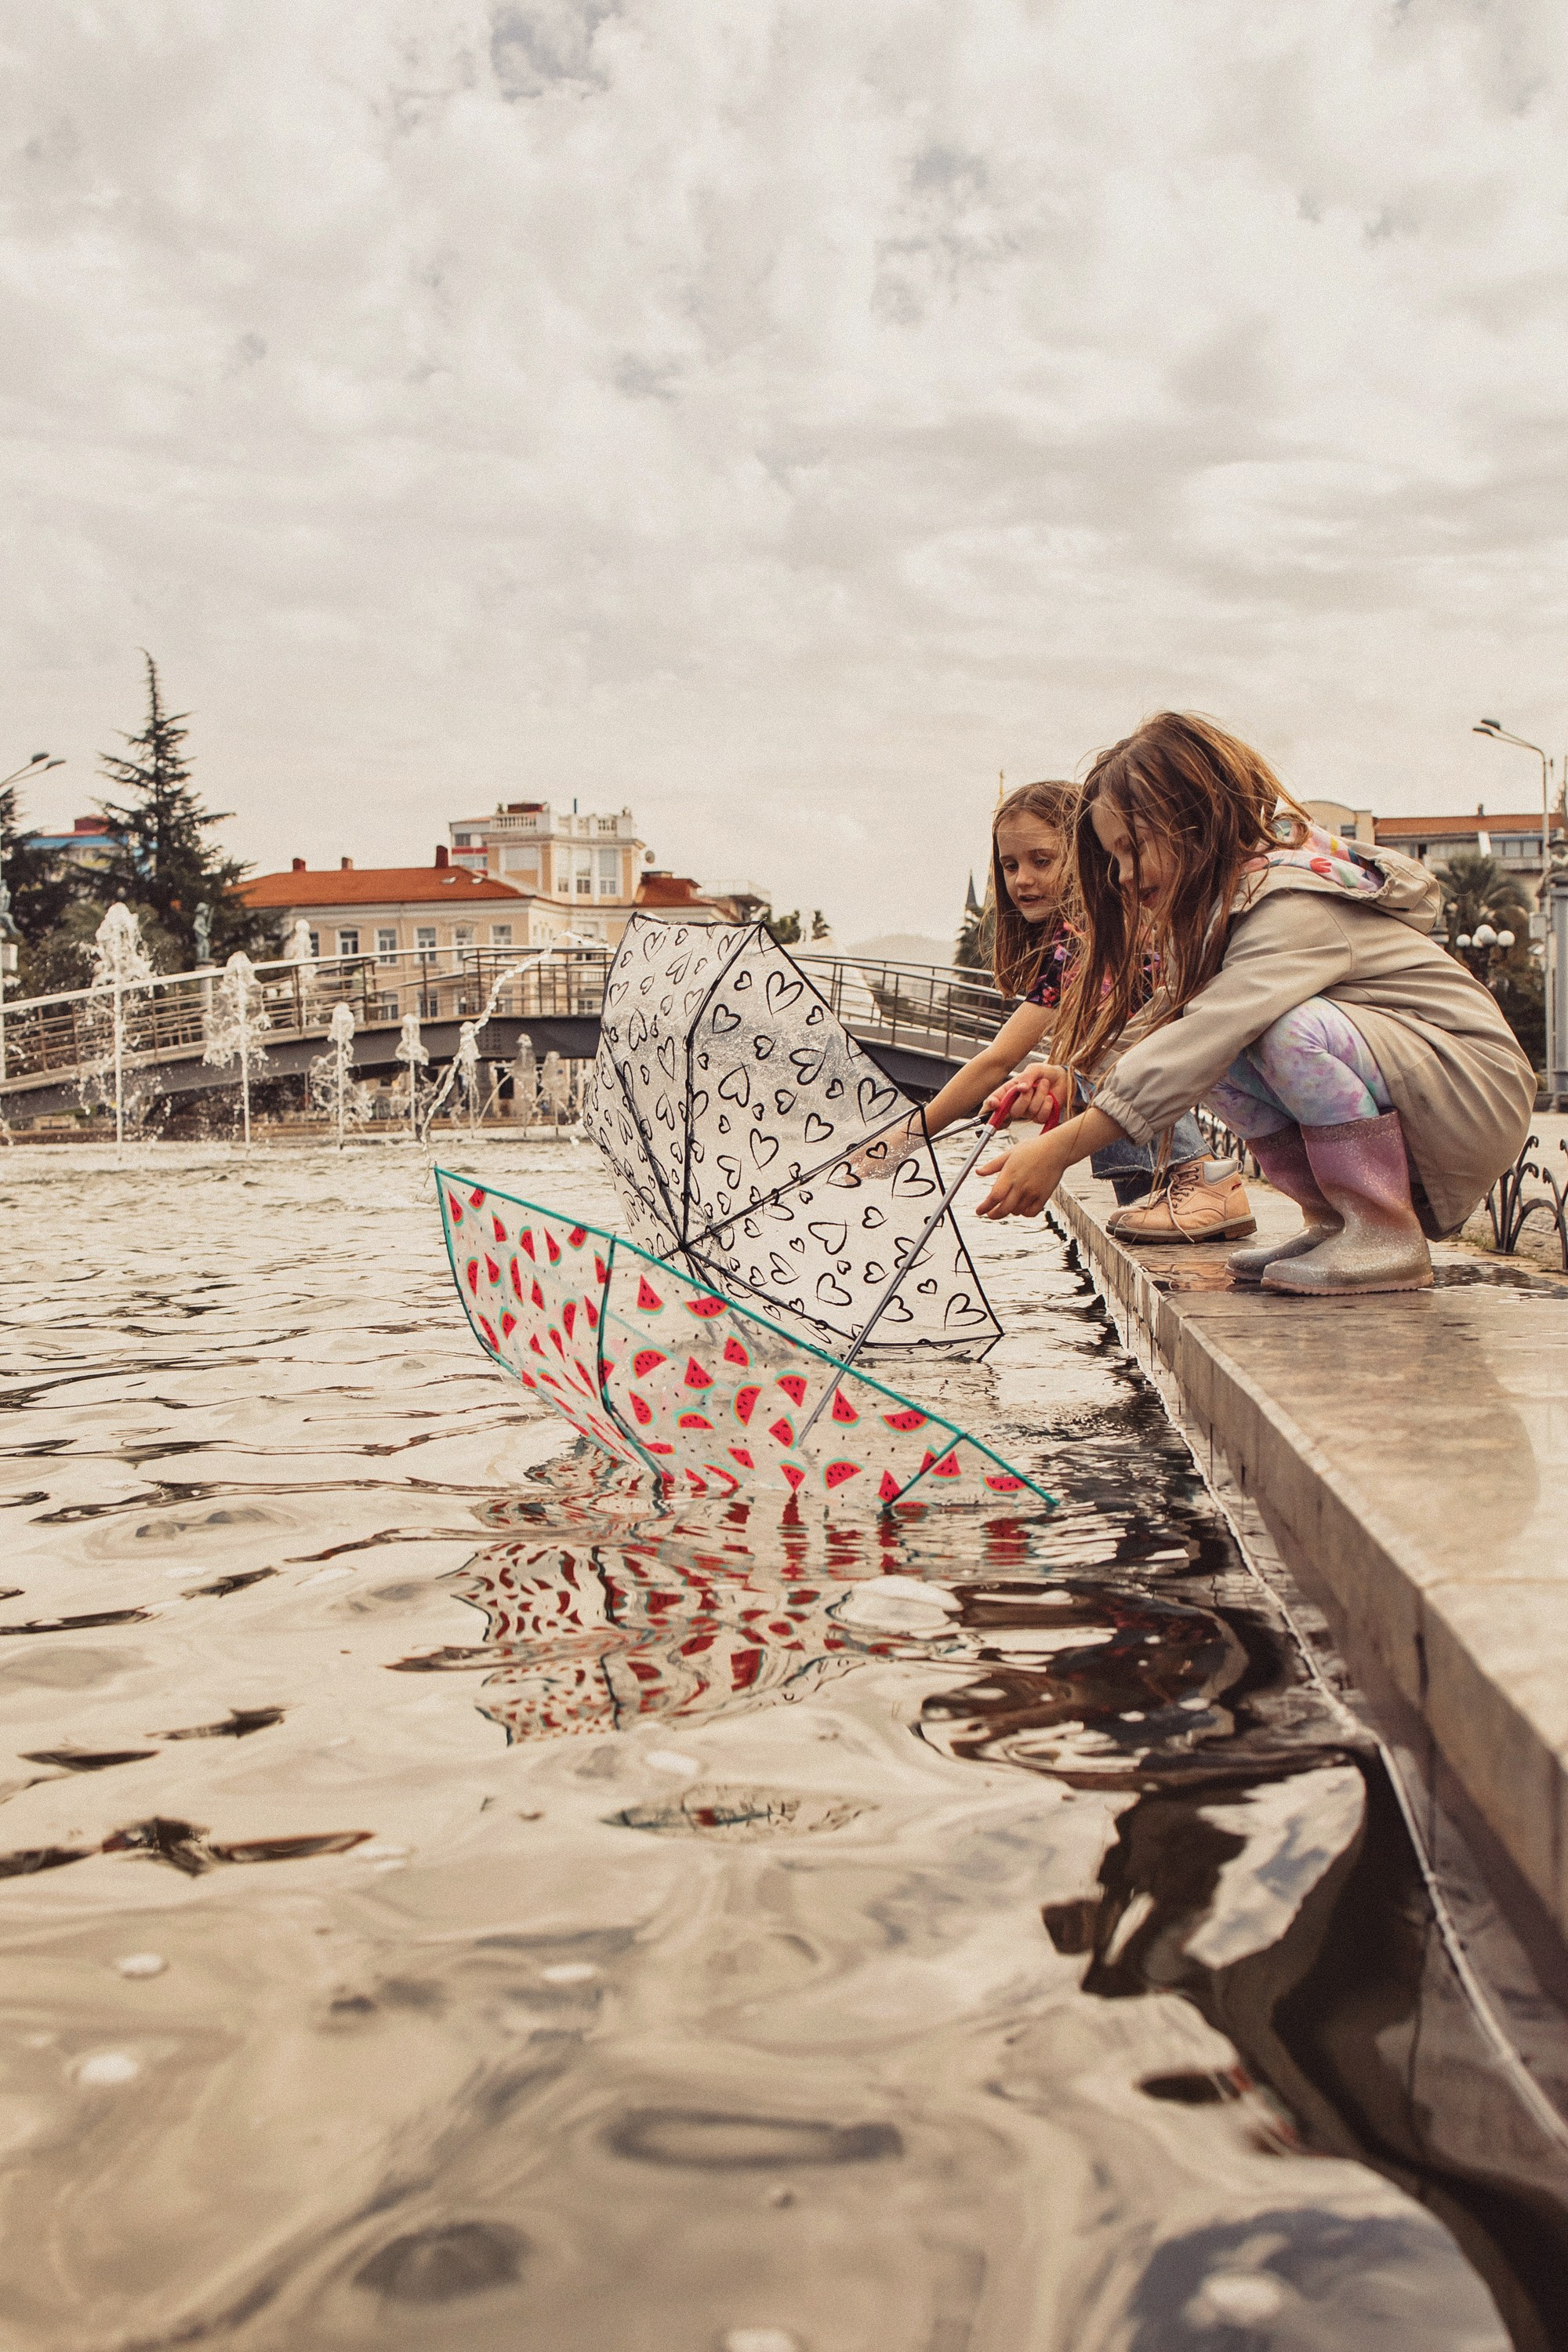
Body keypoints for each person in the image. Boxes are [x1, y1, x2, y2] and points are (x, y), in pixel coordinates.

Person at [975, 713, 1535, 1296]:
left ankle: (1383, 1230)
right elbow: (1172, 1022)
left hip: (1471, 1085)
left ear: (1193, 822)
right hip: (1424, 1082)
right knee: (1222, 1050)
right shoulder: (1227, 914)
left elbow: (1209, 1030)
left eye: (1130, 848)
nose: (1119, 874)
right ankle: (1334, 1223)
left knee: (1274, 1033)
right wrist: (1075, 1077)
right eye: (1112, 855)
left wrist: (1060, 1148)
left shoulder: (1288, 904)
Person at [855, 778, 1241, 1228]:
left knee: (1103, 1061)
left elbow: (1000, 1057)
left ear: (1086, 855)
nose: (1022, 879)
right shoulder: (1082, 935)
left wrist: (904, 1138)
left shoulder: (1095, 930)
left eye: (1042, 861)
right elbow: (1018, 1059)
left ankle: (1193, 1174)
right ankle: (1173, 1186)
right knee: (1081, 1071)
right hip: (1162, 1105)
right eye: (1010, 865)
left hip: (1180, 1080)